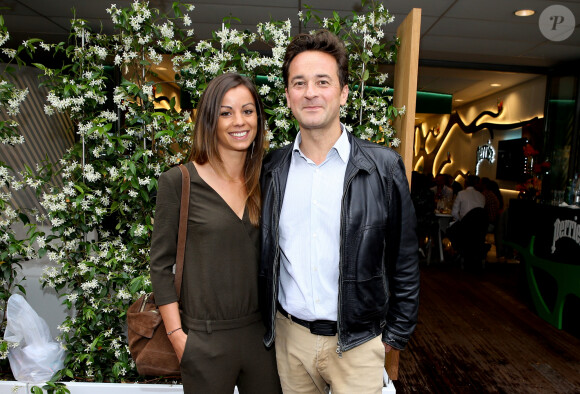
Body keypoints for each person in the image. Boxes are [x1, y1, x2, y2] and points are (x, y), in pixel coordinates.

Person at [259, 30, 420, 393]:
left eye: (322, 81)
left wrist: (397, 333)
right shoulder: (271, 169)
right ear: (287, 96)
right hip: (290, 340)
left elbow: (405, 258)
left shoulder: (384, 167)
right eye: (299, 83)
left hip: (359, 343)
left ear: (343, 92)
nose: (310, 92)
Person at [150, 73, 281, 394]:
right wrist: (177, 337)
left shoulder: (268, 179)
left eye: (248, 111)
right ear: (210, 120)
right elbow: (160, 266)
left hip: (262, 338)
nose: (240, 121)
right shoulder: (179, 181)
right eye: (226, 112)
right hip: (203, 340)